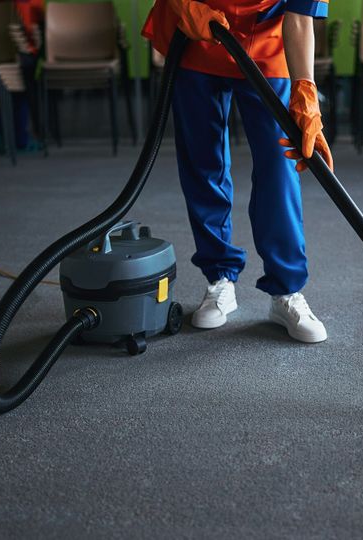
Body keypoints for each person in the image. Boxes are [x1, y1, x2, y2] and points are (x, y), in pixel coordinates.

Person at [142, 0, 333, 343]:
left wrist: (305, 88)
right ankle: (219, 279)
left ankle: (286, 290)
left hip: (266, 45)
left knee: (280, 167)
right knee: (203, 164)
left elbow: (300, 17)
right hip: (197, 33)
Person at [0, 0, 44, 154]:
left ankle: (0, 128)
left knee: (20, 82)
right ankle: (18, 139)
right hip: (22, 45)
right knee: (25, 80)